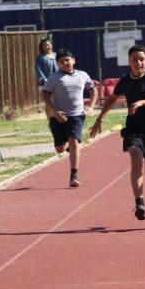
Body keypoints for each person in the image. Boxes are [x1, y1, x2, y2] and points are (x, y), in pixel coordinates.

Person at [89, 44, 145, 220]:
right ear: (129, 62)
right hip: (134, 129)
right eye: (134, 59)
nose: (138, 62)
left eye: (141, 59)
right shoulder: (125, 80)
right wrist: (99, 119)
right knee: (135, 158)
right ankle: (139, 202)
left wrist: (142, 102)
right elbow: (111, 99)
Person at [41, 47, 98, 188]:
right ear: (58, 64)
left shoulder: (82, 75)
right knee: (60, 149)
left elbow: (93, 90)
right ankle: (70, 149)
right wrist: (55, 111)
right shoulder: (54, 77)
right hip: (58, 117)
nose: (65, 63)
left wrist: (91, 107)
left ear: (73, 60)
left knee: (74, 142)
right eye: (61, 62)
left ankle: (73, 175)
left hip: (77, 115)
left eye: (67, 60)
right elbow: (45, 95)